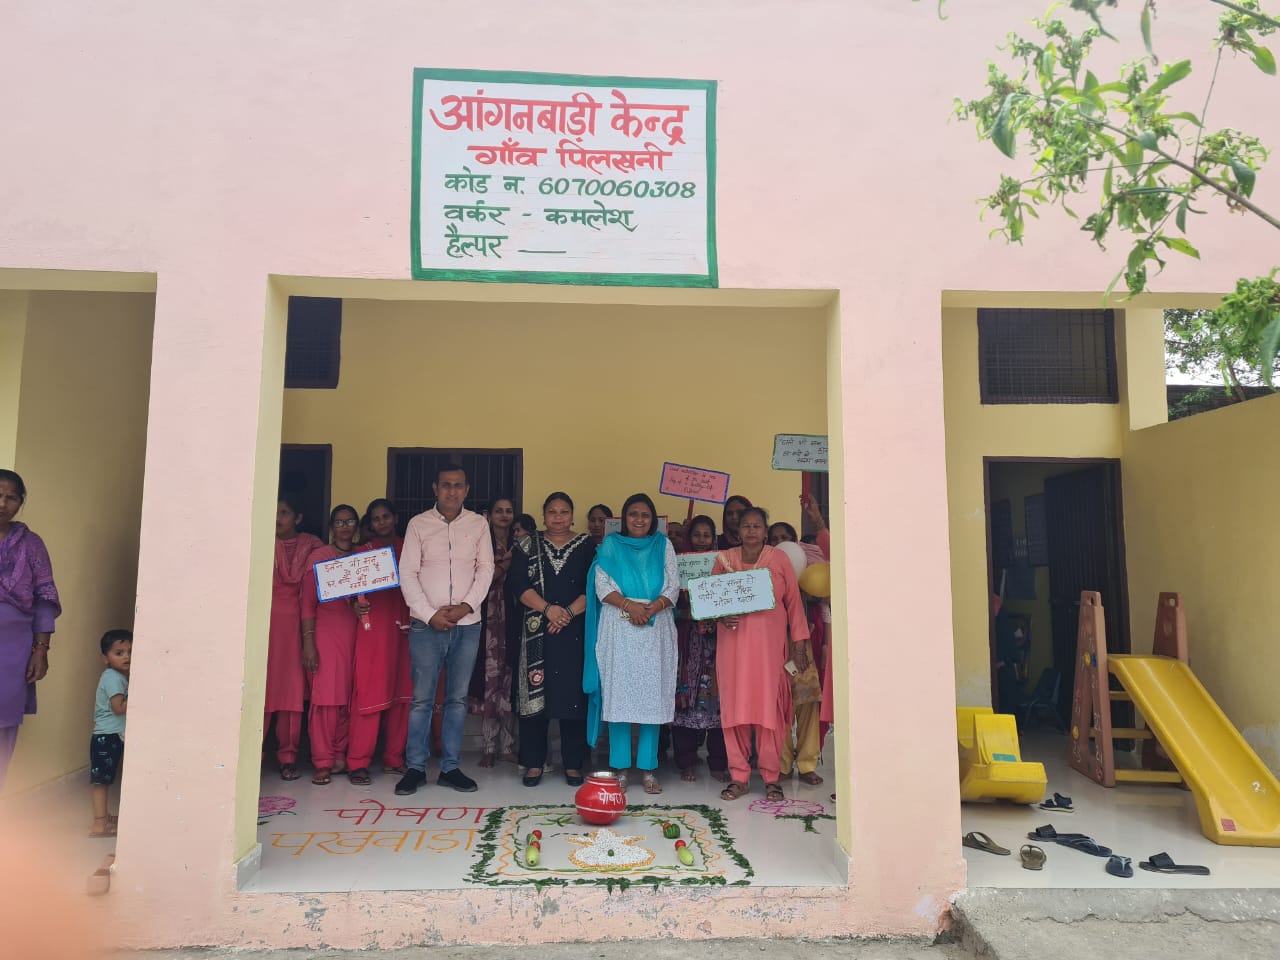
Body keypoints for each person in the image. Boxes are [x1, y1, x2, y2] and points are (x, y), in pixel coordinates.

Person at [396, 466, 494, 796]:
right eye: (446, 485)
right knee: (422, 699)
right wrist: (429, 614)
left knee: (457, 699)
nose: (452, 491)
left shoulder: (478, 524)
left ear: (467, 490)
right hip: (426, 625)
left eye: (458, 486)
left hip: (467, 625)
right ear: (435, 488)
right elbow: (407, 573)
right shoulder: (418, 524)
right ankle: (415, 767)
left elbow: (486, 569)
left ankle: (450, 768)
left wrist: (466, 606)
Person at [713, 506, 810, 802]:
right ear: (738, 530)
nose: (751, 531)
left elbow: (794, 603)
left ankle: (771, 777)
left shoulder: (778, 559)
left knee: (769, 711)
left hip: (768, 651)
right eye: (746, 526)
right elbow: (710, 600)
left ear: (765, 531)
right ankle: (739, 777)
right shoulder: (724, 560)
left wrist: (799, 644)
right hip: (733, 649)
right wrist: (720, 616)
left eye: (757, 526)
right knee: (734, 710)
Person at [585, 493, 679, 795]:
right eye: (633, 514)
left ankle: (649, 769)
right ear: (624, 518)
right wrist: (630, 606)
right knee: (620, 696)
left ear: (653, 520)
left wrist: (651, 609)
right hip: (619, 627)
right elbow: (602, 586)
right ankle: (621, 769)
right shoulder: (610, 545)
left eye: (645, 515)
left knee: (653, 696)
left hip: (656, 626)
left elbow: (673, 585)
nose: (639, 519)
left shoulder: (663, 545)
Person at [509, 492, 594, 787]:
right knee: (535, 693)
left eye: (564, 511)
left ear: (572, 515)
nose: (558, 517)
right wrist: (549, 610)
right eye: (552, 512)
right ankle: (534, 763)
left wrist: (567, 613)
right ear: (544, 515)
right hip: (537, 630)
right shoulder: (527, 544)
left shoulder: (587, 546)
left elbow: (594, 586)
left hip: (574, 631)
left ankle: (573, 764)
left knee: (573, 696)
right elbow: (518, 583)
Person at [0, 470, 61, 789]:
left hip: (12, 650)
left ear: (20, 502)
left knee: (3, 726)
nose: (2, 503)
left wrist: (41, 649)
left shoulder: (31, 544)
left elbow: (44, 598)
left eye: (11, 497)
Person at [346, 499, 413, 784]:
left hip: (408, 629)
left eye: (386, 516)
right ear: (370, 524)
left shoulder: (410, 547)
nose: (382, 522)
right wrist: (354, 605)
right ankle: (358, 762)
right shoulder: (362, 553)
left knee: (404, 694)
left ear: (395, 518)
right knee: (370, 692)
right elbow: (350, 591)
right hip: (373, 630)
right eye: (376, 518)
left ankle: (394, 758)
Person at [300, 504, 362, 785]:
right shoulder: (320, 557)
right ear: (331, 527)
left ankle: (340, 756)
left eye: (349, 521)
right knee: (326, 698)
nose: (344, 527)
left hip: (358, 634)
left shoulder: (364, 559)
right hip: (325, 633)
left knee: (349, 699)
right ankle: (322, 761)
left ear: (356, 526)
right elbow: (307, 605)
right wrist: (308, 643)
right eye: (339, 522)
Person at [265, 495, 324, 781]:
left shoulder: (313, 547)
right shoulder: (259, 542)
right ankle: (253, 756)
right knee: (263, 691)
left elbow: (328, 575)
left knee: (291, 692)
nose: (278, 518)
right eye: (274, 512)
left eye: (284, 512)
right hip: (264, 627)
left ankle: (287, 757)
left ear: (298, 517)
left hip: (300, 628)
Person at [671, 515, 729, 783]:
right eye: (697, 535)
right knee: (685, 699)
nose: (702, 540)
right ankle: (686, 761)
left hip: (717, 645)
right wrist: (686, 612)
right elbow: (668, 602)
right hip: (687, 644)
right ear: (689, 537)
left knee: (718, 702)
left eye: (707, 535)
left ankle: (717, 762)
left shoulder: (724, 566)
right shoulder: (677, 565)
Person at [472, 496, 518, 767]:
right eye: (498, 511)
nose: (504, 515)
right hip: (485, 615)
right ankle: (488, 747)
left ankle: (508, 746)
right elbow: (479, 578)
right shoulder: (480, 542)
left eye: (508, 511)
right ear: (488, 515)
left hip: (512, 615)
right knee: (488, 680)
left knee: (510, 679)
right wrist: (504, 566)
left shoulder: (519, 542)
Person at [89, 629, 131, 838]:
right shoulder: (113, 678)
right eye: (119, 653)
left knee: (105, 779)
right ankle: (99, 824)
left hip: (112, 734)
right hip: (107, 736)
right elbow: (119, 707)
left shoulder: (117, 676)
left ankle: (104, 817)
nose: (126, 657)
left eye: (130, 652)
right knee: (102, 781)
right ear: (105, 658)